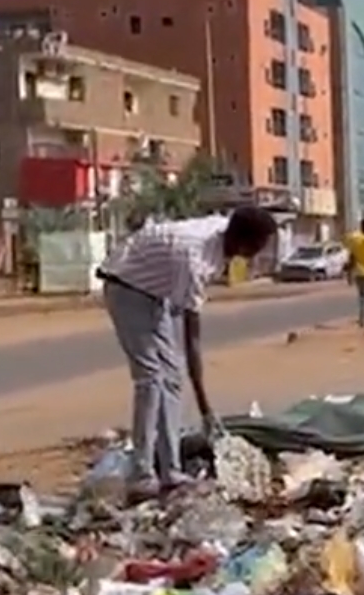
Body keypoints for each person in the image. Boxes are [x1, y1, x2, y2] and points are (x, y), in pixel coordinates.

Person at [97, 205, 280, 497]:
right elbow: (192, 341)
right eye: (258, 246)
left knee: (171, 378)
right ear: (244, 242)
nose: (259, 254)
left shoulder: (223, 232)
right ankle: (141, 473)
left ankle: (171, 470)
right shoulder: (192, 260)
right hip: (126, 288)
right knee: (151, 378)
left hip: (154, 292)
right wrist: (206, 410)